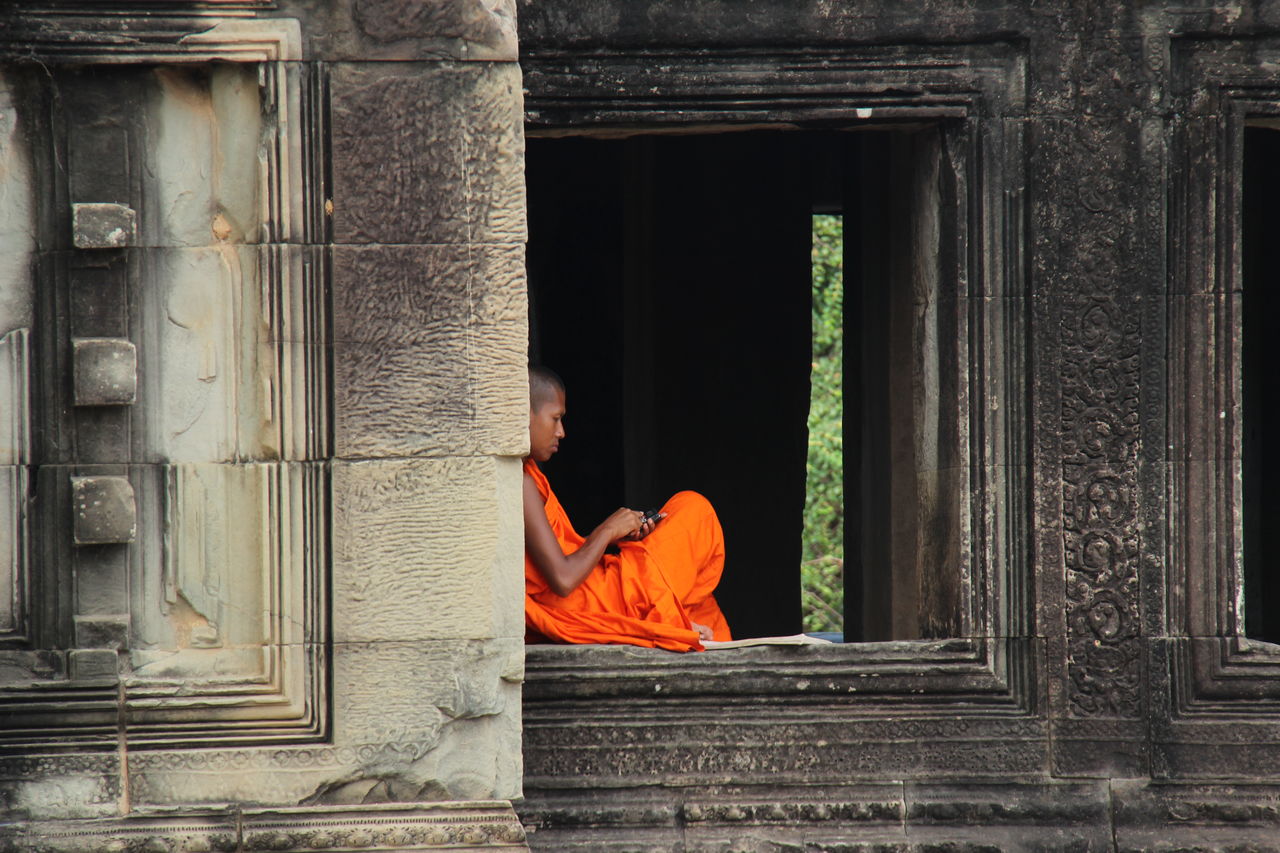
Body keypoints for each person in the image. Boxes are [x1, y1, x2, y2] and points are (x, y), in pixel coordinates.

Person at [523, 365, 731, 652]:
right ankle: (664, 616)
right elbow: (563, 579)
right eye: (556, 418)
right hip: (594, 603)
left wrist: (624, 538)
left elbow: (564, 556)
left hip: (601, 592)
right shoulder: (520, 483)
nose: (561, 432)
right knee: (695, 508)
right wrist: (608, 530)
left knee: (702, 607)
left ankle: (671, 615)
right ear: (523, 414)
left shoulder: (528, 476)